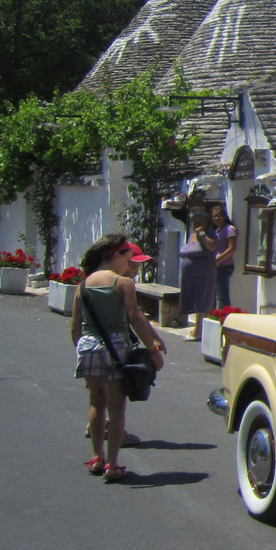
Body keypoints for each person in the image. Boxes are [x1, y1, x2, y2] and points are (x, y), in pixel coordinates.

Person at [71, 234, 167, 483]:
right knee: (116, 408)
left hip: (88, 346)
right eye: (127, 257)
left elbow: (75, 327)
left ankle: (96, 457)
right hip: (116, 347)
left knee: (96, 402)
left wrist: (81, 353)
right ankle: (112, 464)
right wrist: (153, 349)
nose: (129, 263)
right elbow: (135, 317)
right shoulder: (122, 283)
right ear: (115, 256)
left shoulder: (83, 285)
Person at [179, 207, 218, 341]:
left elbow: (212, 247)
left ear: (206, 223)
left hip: (203, 273)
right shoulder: (191, 236)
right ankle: (198, 328)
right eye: (194, 222)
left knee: (203, 300)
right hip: (191, 274)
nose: (196, 225)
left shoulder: (210, 234)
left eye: (199, 222)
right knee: (195, 300)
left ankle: (198, 331)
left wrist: (202, 234)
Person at [211, 202, 238, 307]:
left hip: (225, 266)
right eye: (214, 216)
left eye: (219, 216)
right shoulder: (217, 230)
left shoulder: (230, 229)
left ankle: (224, 317)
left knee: (223, 295)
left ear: (224, 216)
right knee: (216, 295)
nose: (216, 218)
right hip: (216, 266)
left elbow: (232, 248)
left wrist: (218, 260)